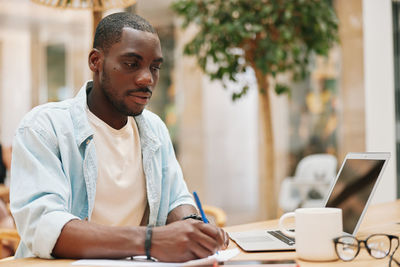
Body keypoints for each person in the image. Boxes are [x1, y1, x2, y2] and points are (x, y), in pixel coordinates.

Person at [10, 12, 228, 262]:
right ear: (95, 61)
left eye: (155, 67)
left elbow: (176, 200)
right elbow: (44, 227)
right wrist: (150, 241)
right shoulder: (44, 127)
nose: (148, 79)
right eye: (131, 64)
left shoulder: (154, 129)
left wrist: (192, 225)